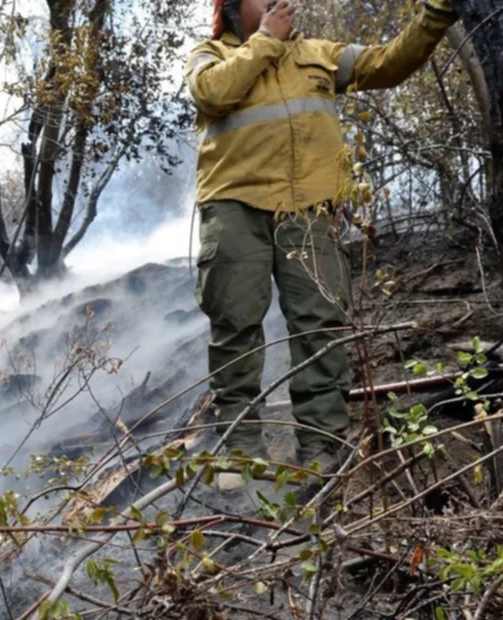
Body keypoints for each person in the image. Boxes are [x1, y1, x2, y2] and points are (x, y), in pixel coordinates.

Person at [188, 0, 458, 490]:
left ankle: (320, 448)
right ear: (230, 7)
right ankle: (242, 448)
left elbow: (389, 62)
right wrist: (265, 40)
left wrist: (437, 14)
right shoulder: (209, 55)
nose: (275, 2)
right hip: (234, 206)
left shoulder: (319, 53)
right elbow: (210, 94)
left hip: (306, 207)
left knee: (320, 324)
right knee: (236, 324)